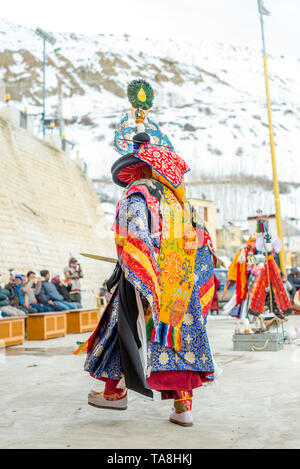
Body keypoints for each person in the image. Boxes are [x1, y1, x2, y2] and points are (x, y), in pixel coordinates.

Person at [77, 86, 217, 428]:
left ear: (136, 169)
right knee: (179, 335)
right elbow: (203, 244)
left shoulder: (137, 196)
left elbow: (132, 236)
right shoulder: (181, 204)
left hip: (144, 277)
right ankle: (183, 409)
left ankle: (115, 392)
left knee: (122, 327)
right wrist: (186, 278)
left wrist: (141, 270)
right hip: (180, 282)